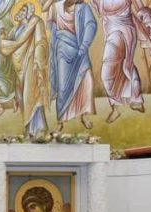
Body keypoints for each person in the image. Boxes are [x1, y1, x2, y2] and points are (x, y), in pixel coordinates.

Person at [90, 0, 148, 124]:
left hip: (126, 31)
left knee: (126, 66)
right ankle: (117, 107)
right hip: (111, 32)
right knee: (110, 71)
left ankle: (135, 100)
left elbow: (142, 10)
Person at [0, 2, 50, 135]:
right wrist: (3, 37)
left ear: (28, 13)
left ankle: (39, 127)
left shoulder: (36, 22)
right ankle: (29, 128)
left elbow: (41, 41)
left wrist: (38, 59)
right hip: (19, 69)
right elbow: (7, 48)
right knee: (22, 97)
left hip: (32, 64)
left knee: (32, 95)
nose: (18, 12)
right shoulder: (15, 30)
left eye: (22, 10)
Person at [47, 0, 98, 131]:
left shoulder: (83, 8)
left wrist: (84, 45)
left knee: (86, 81)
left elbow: (91, 25)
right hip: (63, 51)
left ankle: (84, 115)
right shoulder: (56, 7)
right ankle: (61, 121)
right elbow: (50, 29)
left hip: (80, 49)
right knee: (63, 87)